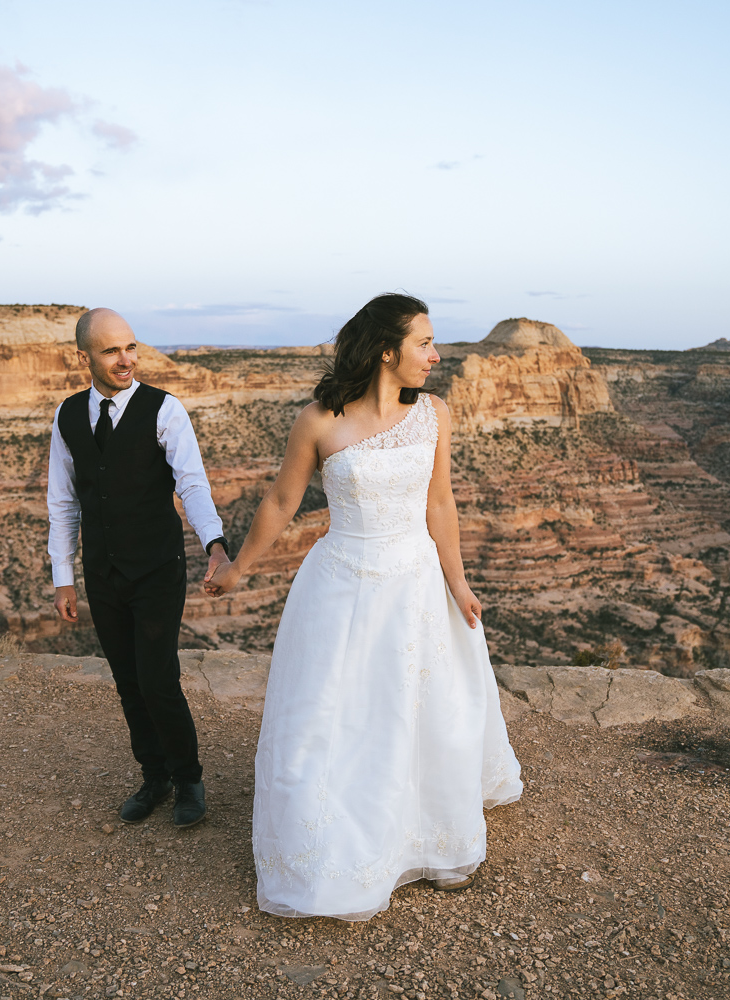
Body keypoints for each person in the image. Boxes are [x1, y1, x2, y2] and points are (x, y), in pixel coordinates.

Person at [205, 293, 522, 920]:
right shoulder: (320, 421)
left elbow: (440, 505)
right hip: (341, 585)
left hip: (415, 586)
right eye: (423, 344)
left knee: (418, 711)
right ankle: (334, 845)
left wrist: (458, 584)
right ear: (386, 350)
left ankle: (427, 841)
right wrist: (238, 568)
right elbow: (279, 502)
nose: (435, 356)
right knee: (337, 718)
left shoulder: (435, 414)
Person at [47, 308, 231, 828]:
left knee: (157, 680)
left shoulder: (164, 410)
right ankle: (154, 777)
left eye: (131, 347)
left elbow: (191, 484)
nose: (126, 359)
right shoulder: (67, 416)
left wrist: (213, 544)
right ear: (84, 357)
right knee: (128, 682)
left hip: (156, 568)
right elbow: (62, 500)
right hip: (102, 572)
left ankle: (188, 777)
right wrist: (64, 574)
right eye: (111, 351)